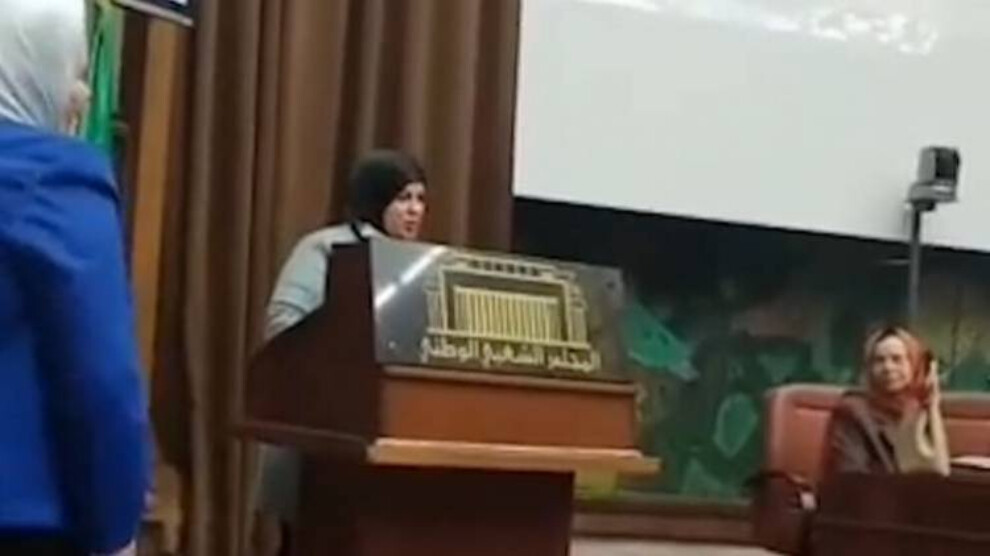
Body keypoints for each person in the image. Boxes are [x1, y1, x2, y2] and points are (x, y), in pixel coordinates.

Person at [0, 0, 150, 555]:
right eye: (78, 71)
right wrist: (116, 528)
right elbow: (102, 381)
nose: (83, 94)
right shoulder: (51, 178)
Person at [254, 150, 428, 555]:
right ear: (375, 198)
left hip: (392, 447)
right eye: (403, 198)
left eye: (421, 199)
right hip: (322, 440)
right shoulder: (326, 248)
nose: (415, 210)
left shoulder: (421, 265)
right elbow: (283, 325)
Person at [823, 326, 950, 476]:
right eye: (879, 361)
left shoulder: (919, 410)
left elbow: (939, 471)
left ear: (914, 365)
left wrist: (932, 405)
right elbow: (850, 478)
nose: (888, 367)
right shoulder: (852, 411)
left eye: (897, 359)